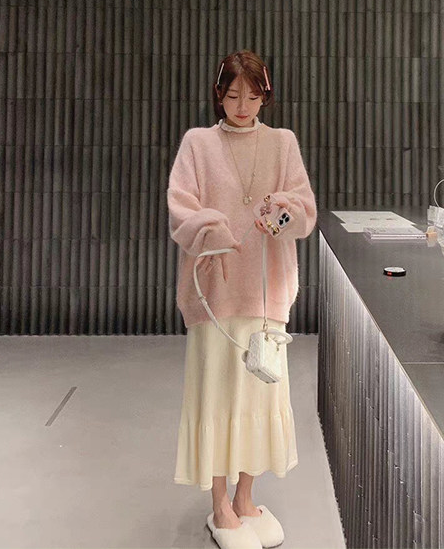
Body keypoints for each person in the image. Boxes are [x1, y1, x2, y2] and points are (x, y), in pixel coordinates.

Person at [168, 50, 317, 549]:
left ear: (264, 97)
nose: (243, 106)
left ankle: (246, 498)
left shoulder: (282, 142)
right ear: (219, 95)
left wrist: (281, 211)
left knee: (260, 392)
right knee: (216, 394)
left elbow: (304, 210)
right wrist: (213, 229)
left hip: (267, 289)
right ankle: (219, 505)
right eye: (233, 96)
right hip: (215, 290)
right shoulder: (198, 143)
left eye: (252, 97)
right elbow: (181, 207)